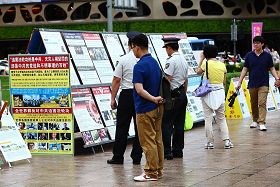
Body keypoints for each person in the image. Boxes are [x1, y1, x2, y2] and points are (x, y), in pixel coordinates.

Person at [131, 33, 164, 182]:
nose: (132, 50)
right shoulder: (154, 62)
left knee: (147, 141)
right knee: (157, 139)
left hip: (145, 108)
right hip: (158, 108)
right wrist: (156, 100)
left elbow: (139, 89)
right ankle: (158, 170)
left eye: (133, 47)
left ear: (137, 47)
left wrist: (152, 99)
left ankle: (150, 172)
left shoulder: (139, 66)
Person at [107, 31, 143, 165]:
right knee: (140, 127)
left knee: (122, 127)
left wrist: (112, 98)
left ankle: (118, 156)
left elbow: (116, 80)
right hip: (141, 95)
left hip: (126, 95)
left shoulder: (123, 59)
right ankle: (137, 156)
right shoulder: (143, 59)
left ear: (129, 44)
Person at [237, 36, 280, 131]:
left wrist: (277, 78)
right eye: (254, 43)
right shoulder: (249, 55)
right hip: (252, 83)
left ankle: (261, 122)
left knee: (262, 102)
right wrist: (239, 81)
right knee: (253, 103)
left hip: (263, 83)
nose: (255, 44)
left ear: (262, 44)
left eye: (257, 43)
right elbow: (245, 69)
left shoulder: (267, 56)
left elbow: (272, 68)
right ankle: (255, 120)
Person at [196, 45, 234, 149]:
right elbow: (224, 81)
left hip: (207, 92)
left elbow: (197, 71)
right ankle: (226, 141)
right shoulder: (222, 65)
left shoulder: (205, 63)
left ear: (205, 54)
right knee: (221, 118)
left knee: (208, 118)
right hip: (220, 92)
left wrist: (201, 59)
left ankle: (210, 142)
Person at [161, 37, 188, 160]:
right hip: (182, 94)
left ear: (169, 48)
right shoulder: (183, 59)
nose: (166, 51)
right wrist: (183, 93)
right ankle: (178, 150)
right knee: (179, 124)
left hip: (172, 96)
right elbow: (185, 80)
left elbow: (168, 78)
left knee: (167, 124)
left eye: (166, 48)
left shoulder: (171, 61)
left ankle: (167, 151)